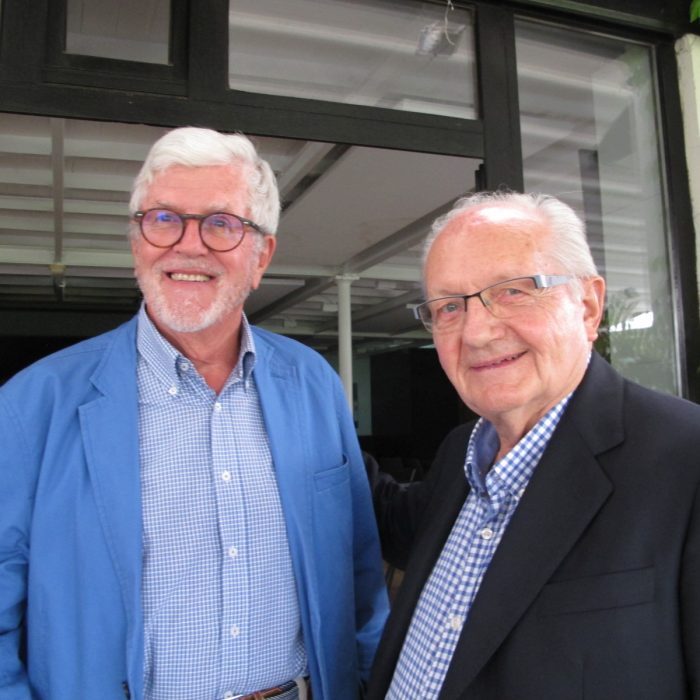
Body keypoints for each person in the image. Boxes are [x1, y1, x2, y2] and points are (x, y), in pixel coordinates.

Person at [0, 126, 389, 700]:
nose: (188, 245)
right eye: (163, 219)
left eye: (221, 223)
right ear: (137, 242)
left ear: (261, 256)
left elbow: (360, 576)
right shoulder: (33, 403)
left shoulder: (313, 384)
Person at [367, 191, 700, 700]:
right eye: (449, 306)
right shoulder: (460, 453)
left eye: (513, 291)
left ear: (587, 306)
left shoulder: (686, 458)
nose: (477, 332)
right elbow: (386, 517)